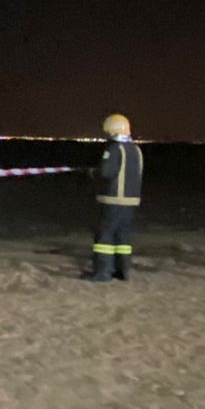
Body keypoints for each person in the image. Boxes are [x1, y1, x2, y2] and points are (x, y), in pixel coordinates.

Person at [85, 113, 143, 283]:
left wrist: (93, 172)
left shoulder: (114, 149)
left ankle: (102, 273)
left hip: (113, 200)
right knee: (123, 237)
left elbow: (106, 173)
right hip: (132, 201)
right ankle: (122, 271)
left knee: (105, 236)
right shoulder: (136, 150)